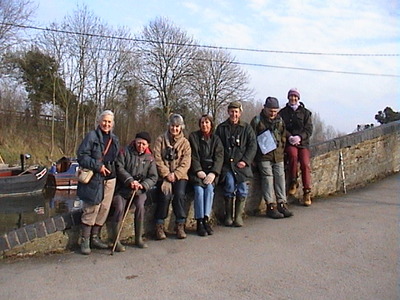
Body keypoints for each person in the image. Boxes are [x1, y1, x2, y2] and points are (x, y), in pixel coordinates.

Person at [77, 110, 120, 255]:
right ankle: (85, 240)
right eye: (104, 121)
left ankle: (95, 237)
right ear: (99, 122)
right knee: (92, 207)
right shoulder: (92, 136)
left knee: (104, 208)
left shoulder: (114, 139)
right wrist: (97, 166)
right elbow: (81, 155)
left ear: (112, 124)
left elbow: (117, 159)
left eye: (109, 122)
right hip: (95, 177)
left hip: (110, 178)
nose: (106, 124)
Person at [111, 131, 158, 251]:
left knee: (140, 206)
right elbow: (119, 167)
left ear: (147, 145)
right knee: (119, 208)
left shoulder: (150, 158)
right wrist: (130, 180)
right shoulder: (124, 151)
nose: (140, 146)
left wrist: (143, 185)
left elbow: (153, 177)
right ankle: (116, 240)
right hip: (122, 188)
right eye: (139, 143)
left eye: (143, 144)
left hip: (139, 190)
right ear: (135, 141)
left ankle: (138, 238)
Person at [215, 101, 257, 227]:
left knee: (243, 188)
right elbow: (217, 148)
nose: (234, 114)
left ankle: (238, 216)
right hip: (227, 165)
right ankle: (228, 215)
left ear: (240, 113)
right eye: (232, 112)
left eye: (236, 112)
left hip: (242, 166)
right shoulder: (221, 128)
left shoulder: (247, 128)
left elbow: (252, 146)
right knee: (229, 185)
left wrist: (245, 161)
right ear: (228, 112)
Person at [250, 97, 293, 219]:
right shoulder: (257, 121)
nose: (273, 113)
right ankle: (270, 205)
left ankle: (282, 203)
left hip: (278, 155)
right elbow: (252, 140)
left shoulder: (280, 121)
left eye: (275, 111)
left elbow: (283, 136)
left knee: (280, 177)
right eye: (270, 111)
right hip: (263, 156)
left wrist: (282, 151)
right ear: (265, 108)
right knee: (267, 178)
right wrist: (253, 158)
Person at [153, 114, 191, 239]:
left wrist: (176, 175)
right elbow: (157, 159)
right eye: (172, 126)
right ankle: (159, 225)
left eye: (177, 126)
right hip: (164, 176)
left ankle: (180, 224)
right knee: (164, 195)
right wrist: (166, 175)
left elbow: (186, 162)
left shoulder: (185, 143)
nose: (174, 129)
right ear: (169, 126)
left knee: (180, 195)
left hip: (180, 176)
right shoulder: (160, 140)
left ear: (181, 127)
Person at [189, 114, 224, 236]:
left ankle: (206, 219)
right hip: (197, 173)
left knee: (209, 189)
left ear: (211, 125)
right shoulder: (193, 137)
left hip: (211, 173)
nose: (204, 125)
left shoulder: (216, 139)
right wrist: (198, 170)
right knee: (199, 191)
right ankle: (199, 221)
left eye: (207, 122)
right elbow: (193, 156)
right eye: (202, 123)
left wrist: (214, 173)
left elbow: (219, 157)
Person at [279, 88, 313, 206]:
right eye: (291, 97)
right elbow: (281, 128)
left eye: (295, 97)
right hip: (289, 142)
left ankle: (307, 192)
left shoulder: (305, 113)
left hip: (303, 143)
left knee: (305, 164)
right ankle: (293, 182)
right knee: (292, 156)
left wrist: (300, 137)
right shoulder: (283, 113)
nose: (293, 99)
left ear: (298, 98)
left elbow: (309, 129)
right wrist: (290, 137)